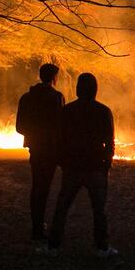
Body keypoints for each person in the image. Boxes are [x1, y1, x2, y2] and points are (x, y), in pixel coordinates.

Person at [44, 73, 117, 257]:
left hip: (72, 167)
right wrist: (106, 164)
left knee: (62, 207)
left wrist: (62, 161)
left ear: (77, 89)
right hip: (95, 167)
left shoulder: (67, 111)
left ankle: (53, 246)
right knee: (99, 210)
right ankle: (102, 247)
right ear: (95, 90)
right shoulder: (103, 111)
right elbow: (109, 142)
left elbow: (58, 140)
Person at [16, 63, 65, 241]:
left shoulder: (26, 98)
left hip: (35, 148)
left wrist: (34, 134)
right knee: (45, 187)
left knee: (37, 186)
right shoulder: (57, 97)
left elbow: (19, 127)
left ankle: (36, 226)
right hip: (51, 150)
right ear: (53, 78)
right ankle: (42, 228)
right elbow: (62, 127)